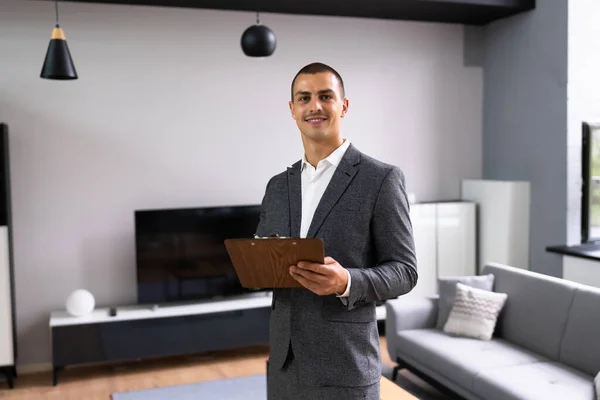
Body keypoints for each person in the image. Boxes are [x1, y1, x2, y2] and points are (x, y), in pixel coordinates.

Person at [254, 62, 418, 400]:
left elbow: (405, 272)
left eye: (325, 96)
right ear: (292, 110)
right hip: (284, 365)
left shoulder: (382, 179)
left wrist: (347, 282)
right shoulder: (277, 187)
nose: (314, 106)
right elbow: (267, 259)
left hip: (346, 365)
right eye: (304, 98)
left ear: (343, 105)